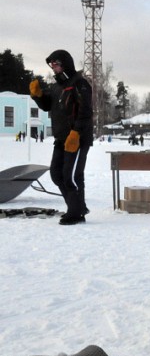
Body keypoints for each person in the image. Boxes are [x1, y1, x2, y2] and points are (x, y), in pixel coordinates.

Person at [30, 50, 93, 225]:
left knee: (71, 176)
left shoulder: (80, 84)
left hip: (77, 138)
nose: (54, 68)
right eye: (52, 65)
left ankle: (76, 213)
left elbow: (86, 112)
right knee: (56, 174)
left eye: (56, 64)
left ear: (65, 64)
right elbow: (48, 106)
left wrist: (76, 132)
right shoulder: (57, 86)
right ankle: (78, 207)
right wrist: (38, 96)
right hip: (61, 139)